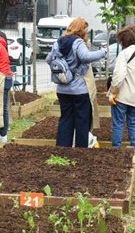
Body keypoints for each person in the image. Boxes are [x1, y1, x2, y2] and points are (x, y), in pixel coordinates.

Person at [46, 17, 107, 148]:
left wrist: (64, 67)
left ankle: (63, 149)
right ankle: (81, 150)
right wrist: (102, 52)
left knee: (65, 119)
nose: (86, 32)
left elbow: (48, 59)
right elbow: (86, 57)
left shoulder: (59, 41)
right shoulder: (78, 42)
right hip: (79, 90)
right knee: (82, 120)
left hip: (62, 89)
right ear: (81, 29)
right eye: (85, 29)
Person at [108, 25, 135, 153]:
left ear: (124, 40)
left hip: (122, 96)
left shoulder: (125, 54)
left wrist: (113, 92)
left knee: (118, 124)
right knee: (134, 124)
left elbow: (118, 76)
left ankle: (116, 150)